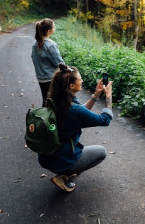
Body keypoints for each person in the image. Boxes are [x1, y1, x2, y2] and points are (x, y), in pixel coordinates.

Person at [38, 63, 113, 192]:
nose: (82, 80)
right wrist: (108, 97)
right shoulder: (74, 110)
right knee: (101, 152)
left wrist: (96, 95)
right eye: (80, 79)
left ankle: (64, 170)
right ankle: (65, 175)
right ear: (71, 86)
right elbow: (105, 120)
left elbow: (79, 112)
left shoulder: (55, 100)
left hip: (45, 157)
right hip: (60, 159)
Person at [31, 18, 64, 106]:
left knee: (46, 100)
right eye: (54, 27)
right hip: (50, 78)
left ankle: (43, 118)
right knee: (53, 102)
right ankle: (47, 119)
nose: (55, 28)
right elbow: (59, 63)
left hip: (41, 78)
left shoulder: (35, 44)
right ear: (49, 31)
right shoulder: (50, 45)